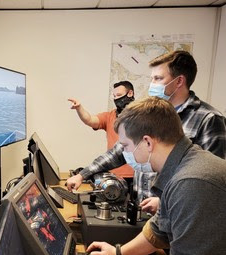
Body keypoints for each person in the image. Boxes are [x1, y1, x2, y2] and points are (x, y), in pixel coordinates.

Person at [87, 96, 226, 255]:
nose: (124, 153)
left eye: (125, 145)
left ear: (148, 142)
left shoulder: (191, 182)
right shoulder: (185, 165)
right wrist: (117, 253)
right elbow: (159, 229)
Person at [66, 50, 226, 214]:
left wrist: (164, 201)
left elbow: (211, 181)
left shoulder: (209, 119)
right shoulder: (150, 112)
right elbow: (119, 151)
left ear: (179, 81)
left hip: (176, 214)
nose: (152, 84)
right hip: (143, 210)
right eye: (152, 78)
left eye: (158, 78)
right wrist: (83, 174)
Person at [68, 81, 135, 181]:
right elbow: (90, 119)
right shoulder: (109, 116)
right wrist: (79, 108)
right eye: (114, 96)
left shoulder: (141, 117)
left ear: (130, 93)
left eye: (119, 95)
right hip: (114, 174)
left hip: (136, 175)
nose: (116, 98)